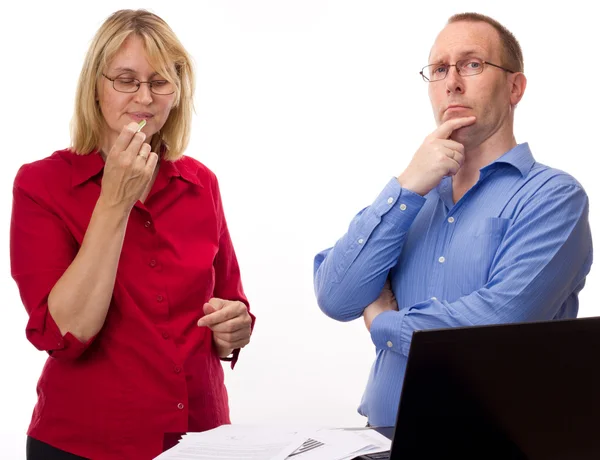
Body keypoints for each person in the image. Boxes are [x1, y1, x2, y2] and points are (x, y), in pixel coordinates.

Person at [313, 12, 593, 428]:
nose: (452, 82)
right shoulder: (408, 199)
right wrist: (408, 185)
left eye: (472, 64)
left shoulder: (553, 198)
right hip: (382, 440)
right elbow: (336, 298)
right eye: (440, 68)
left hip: (497, 444)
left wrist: (383, 321)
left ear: (515, 87)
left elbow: (495, 328)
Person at [10, 9, 254, 460]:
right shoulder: (40, 184)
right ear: (96, 88)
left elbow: (231, 303)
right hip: (85, 444)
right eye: (126, 79)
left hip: (202, 439)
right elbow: (66, 333)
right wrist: (115, 201)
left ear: (177, 93)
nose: (144, 97)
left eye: (160, 81)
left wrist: (234, 326)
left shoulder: (202, 184)